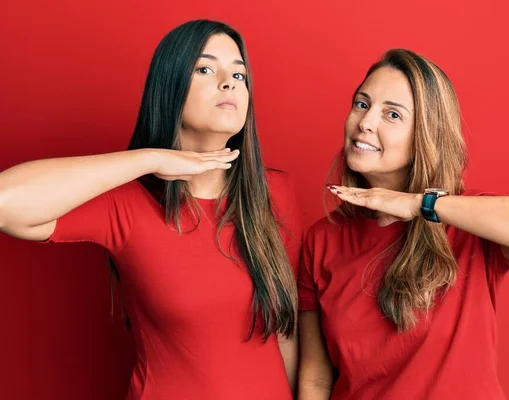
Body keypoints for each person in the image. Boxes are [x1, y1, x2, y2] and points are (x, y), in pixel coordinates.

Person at [0, 20, 301, 400]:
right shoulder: (127, 203)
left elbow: (285, 331)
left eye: (239, 74)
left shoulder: (276, 193)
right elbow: (4, 203)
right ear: (170, 86)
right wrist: (149, 159)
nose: (229, 82)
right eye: (205, 69)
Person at [297, 49, 509, 400]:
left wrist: (422, 204)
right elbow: (315, 378)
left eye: (392, 114)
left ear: (426, 135)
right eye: (361, 104)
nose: (366, 122)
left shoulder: (467, 223)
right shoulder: (322, 240)